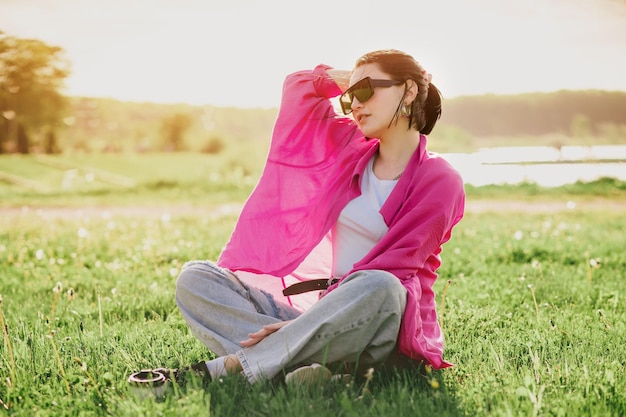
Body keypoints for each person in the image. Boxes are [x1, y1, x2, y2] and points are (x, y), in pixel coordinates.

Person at [174, 49, 465, 385]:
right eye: (349, 97)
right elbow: (298, 89)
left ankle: (233, 368)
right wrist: (350, 78)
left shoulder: (440, 178)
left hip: (374, 318)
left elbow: (396, 267)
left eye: (366, 91)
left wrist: (302, 326)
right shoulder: (348, 150)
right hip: (318, 318)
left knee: (381, 285)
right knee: (196, 279)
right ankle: (307, 369)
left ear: (409, 90)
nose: (355, 104)